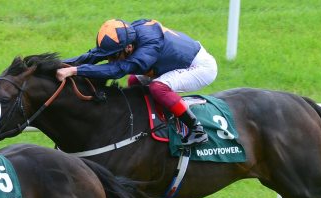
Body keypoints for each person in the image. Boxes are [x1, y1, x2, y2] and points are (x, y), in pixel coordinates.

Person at [56, 19, 217, 145]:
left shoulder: (148, 49)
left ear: (128, 48)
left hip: (200, 67)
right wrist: (59, 65)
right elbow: (94, 55)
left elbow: (116, 71)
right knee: (134, 81)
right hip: (172, 61)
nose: (111, 60)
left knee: (158, 87)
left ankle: (197, 129)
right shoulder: (127, 39)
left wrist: (75, 71)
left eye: (113, 56)